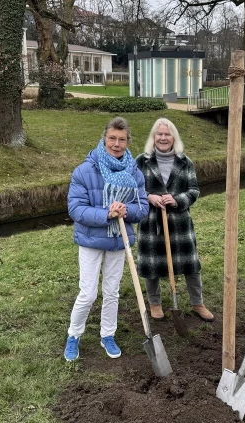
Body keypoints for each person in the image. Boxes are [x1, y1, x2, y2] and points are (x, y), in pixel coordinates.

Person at [64, 117, 148, 362]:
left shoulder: (134, 172)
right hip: (90, 240)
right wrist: (106, 214)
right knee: (88, 293)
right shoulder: (85, 170)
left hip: (117, 241)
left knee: (112, 292)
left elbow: (142, 208)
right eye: (112, 138)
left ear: (127, 142)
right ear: (104, 138)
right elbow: (76, 210)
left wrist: (126, 211)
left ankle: (107, 335)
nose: (116, 144)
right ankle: (74, 335)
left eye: (122, 139)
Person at [135, 118, 214, 322]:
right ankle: (155, 303)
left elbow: (194, 190)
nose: (163, 138)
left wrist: (177, 199)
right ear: (154, 137)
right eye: (159, 134)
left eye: (167, 134)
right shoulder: (140, 161)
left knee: (191, 264)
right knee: (151, 264)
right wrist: (149, 197)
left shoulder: (185, 162)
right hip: (151, 222)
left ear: (173, 137)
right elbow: (132, 190)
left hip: (180, 223)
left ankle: (197, 303)